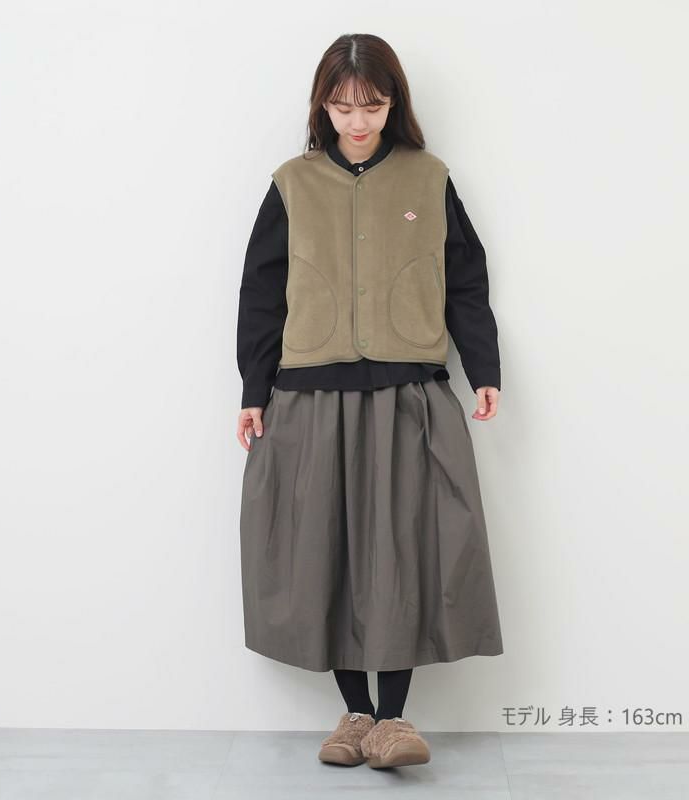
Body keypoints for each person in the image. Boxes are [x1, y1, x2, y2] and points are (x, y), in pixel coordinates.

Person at [236, 33, 504, 769]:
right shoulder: (293, 183)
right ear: (323, 106)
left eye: (373, 106)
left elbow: (465, 280)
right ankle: (355, 714)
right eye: (343, 106)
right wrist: (254, 388)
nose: (358, 122)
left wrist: (484, 368)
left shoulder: (428, 176)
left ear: (395, 105)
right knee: (321, 551)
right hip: (310, 396)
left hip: (407, 394)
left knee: (404, 551)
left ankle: (393, 720)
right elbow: (261, 292)